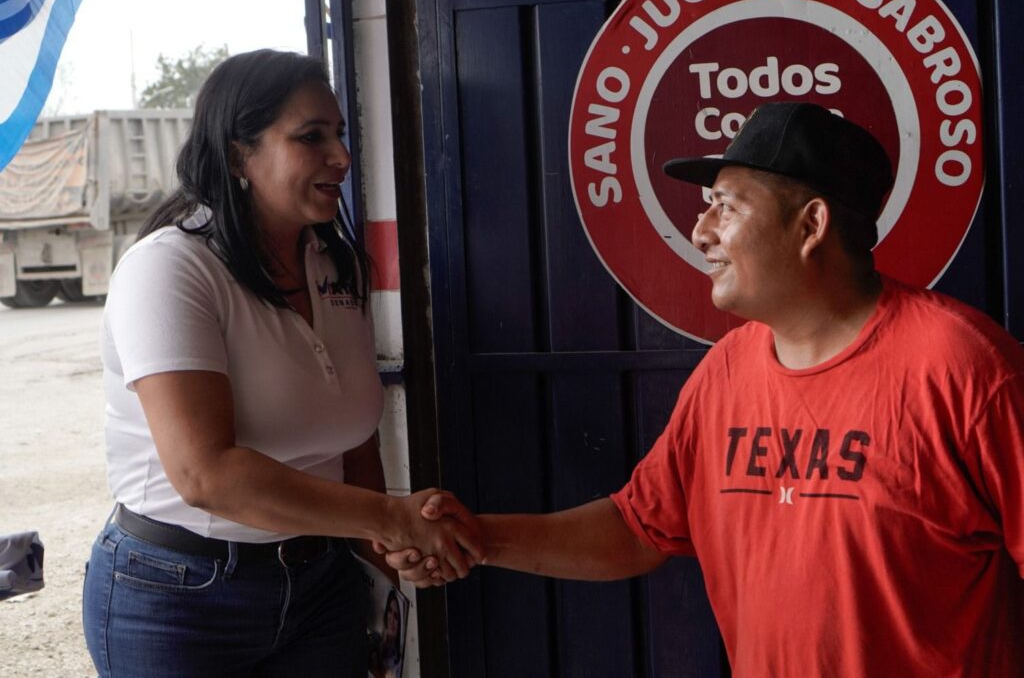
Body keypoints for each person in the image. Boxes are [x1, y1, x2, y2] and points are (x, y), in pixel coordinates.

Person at [383, 102, 1024, 676]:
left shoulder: (967, 368)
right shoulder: (728, 369)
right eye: (707, 208)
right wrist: (478, 538)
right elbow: (640, 529)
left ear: (811, 225)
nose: (702, 233)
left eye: (728, 206)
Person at [82, 49, 481, 678]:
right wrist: (389, 517)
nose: (342, 158)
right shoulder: (171, 270)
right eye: (311, 137)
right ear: (240, 154)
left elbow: (352, 441)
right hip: (178, 596)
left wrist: (387, 550)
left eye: (340, 135)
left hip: (319, 588)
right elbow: (205, 474)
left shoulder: (335, 264)